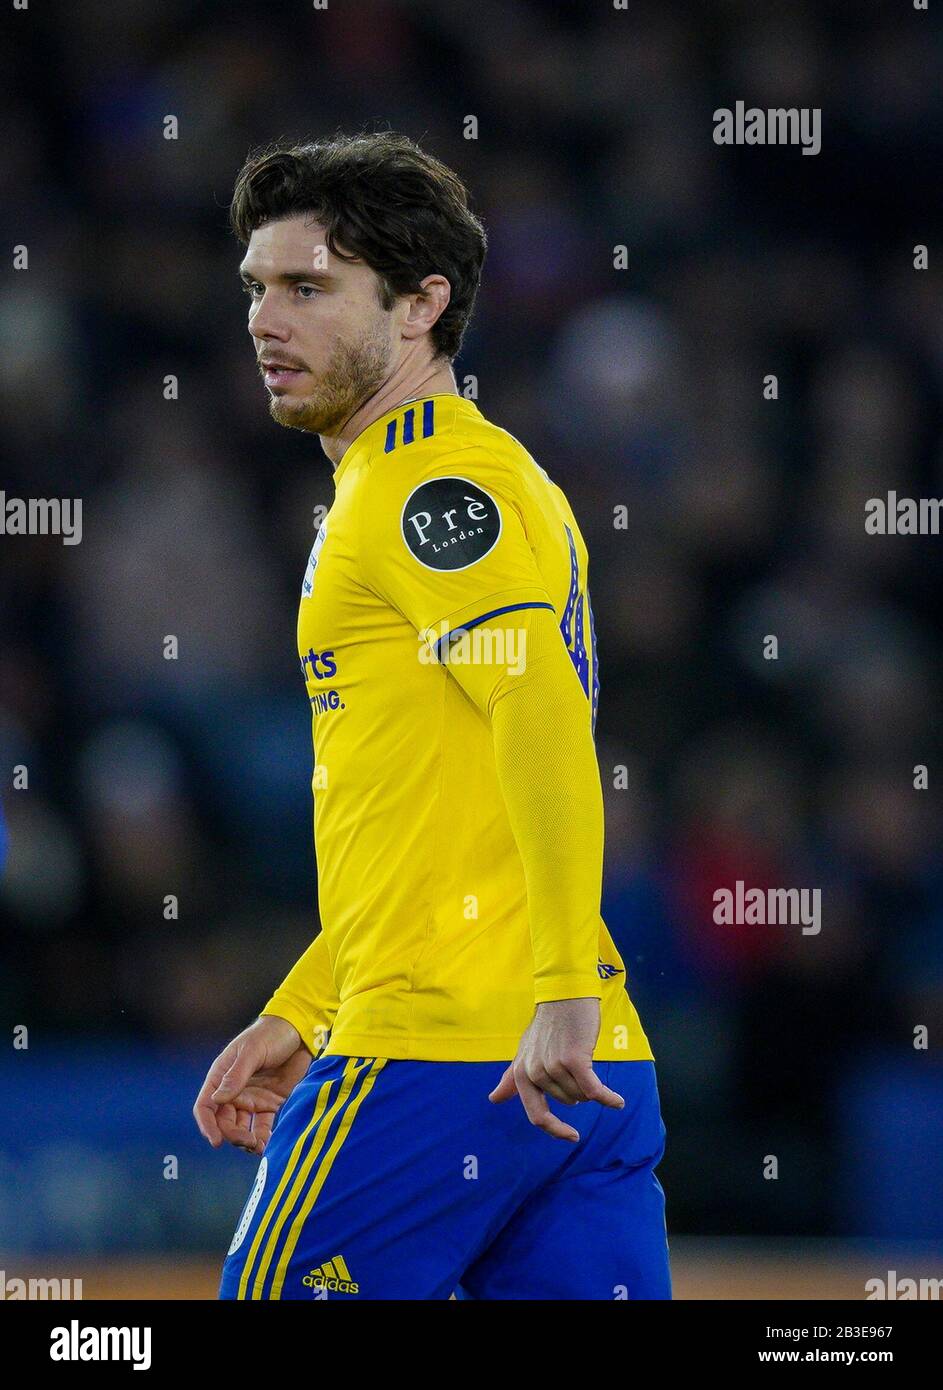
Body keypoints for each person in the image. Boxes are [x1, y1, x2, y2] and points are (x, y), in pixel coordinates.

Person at [193, 132, 670, 1300]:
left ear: (421, 305)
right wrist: (309, 1002)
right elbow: (438, 813)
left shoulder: (423, 486)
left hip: (451, 1056)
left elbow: (540, 712)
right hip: (576, 1064)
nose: (267, 319)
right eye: (257, 288)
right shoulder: (458, 473)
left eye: (308, 287)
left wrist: (555, 983)